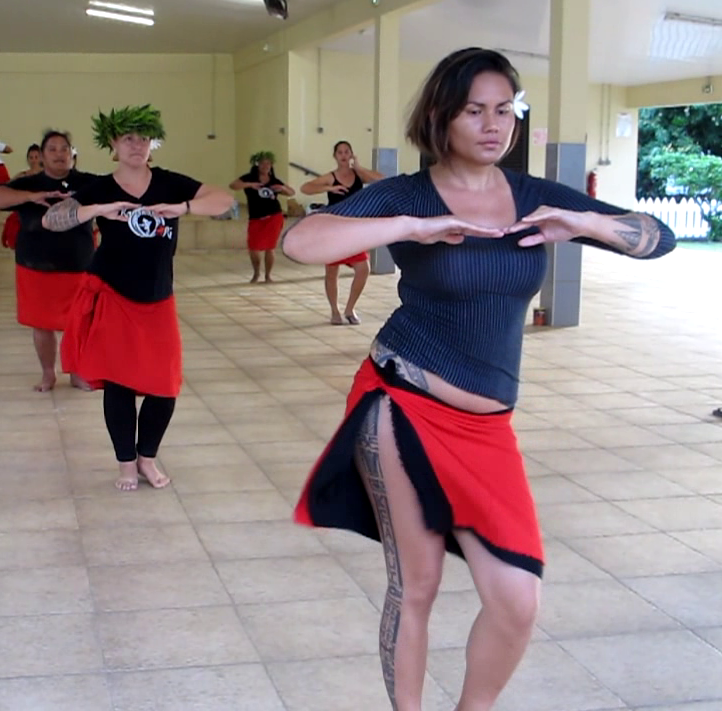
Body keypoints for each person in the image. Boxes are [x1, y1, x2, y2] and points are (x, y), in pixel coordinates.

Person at [283, 48, 675, 711]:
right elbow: (301, 241)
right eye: (474, 111)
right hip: (403, 402)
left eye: (504, 110)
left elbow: (658, 238)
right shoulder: (409, 193)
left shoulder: (533, 196)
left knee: (517, 600)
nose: (494, 126)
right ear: (441, 117)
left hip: (488, 428)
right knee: (417, 584)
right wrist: (414, 227)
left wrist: (583, 222)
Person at [42, 104, 233, 491]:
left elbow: (225, 201)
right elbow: (52, 219)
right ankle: (126, 464)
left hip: (158, 297)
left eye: (143, 138)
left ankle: (147, 457)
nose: (136, 145)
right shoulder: (101, 187)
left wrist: (184, 207)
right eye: (128, 138)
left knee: (165, 384)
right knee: (120, 384)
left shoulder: (170, 183)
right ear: (112, 144)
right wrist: (100, 209)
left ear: (152, 144)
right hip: (113, 294)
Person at [0, 131, 99, 392]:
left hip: (79, 264)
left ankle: (78, 372)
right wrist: (30, 197)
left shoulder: (88, 183)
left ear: (72, 153)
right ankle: (48, 374)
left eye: (64, 148)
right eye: (52, 149)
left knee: (80, 323)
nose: (59, 154)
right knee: (41, 324)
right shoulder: (28, 182)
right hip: (35, 266)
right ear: (41, 155)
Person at [300, 141, 384, 324]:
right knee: (332, 271)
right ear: (335, 156)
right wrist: (329, 188)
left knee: (363, 269)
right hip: (333, 229)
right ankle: (334, 311)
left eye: (347, 152)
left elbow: (381, 179)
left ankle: (350, 309)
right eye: (340, 152)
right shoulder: (331, 177)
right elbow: (305, 188)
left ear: (351, 154)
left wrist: (359, 168)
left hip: (353, 229)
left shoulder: (358, 175)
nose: (344, 155)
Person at [230, 151, 295, 283]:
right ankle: (256, 273)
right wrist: (250, 185)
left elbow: (291, 192)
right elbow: (233, 185)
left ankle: (268, 276)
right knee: (253, 247)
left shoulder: (274, 180)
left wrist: (282, 188)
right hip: (256, 218)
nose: (265, 166)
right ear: (257, 164)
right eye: (263, 163)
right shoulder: (249, 177)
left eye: (268, 164)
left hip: (274, 216)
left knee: (270, 247)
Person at [1, 144, 43, 249]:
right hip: (25, 214)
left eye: (36, 157)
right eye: (31, 157)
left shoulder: (48, 175)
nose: (34, 160)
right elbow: (6, 188)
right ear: (27, 159)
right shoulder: (22, 176)